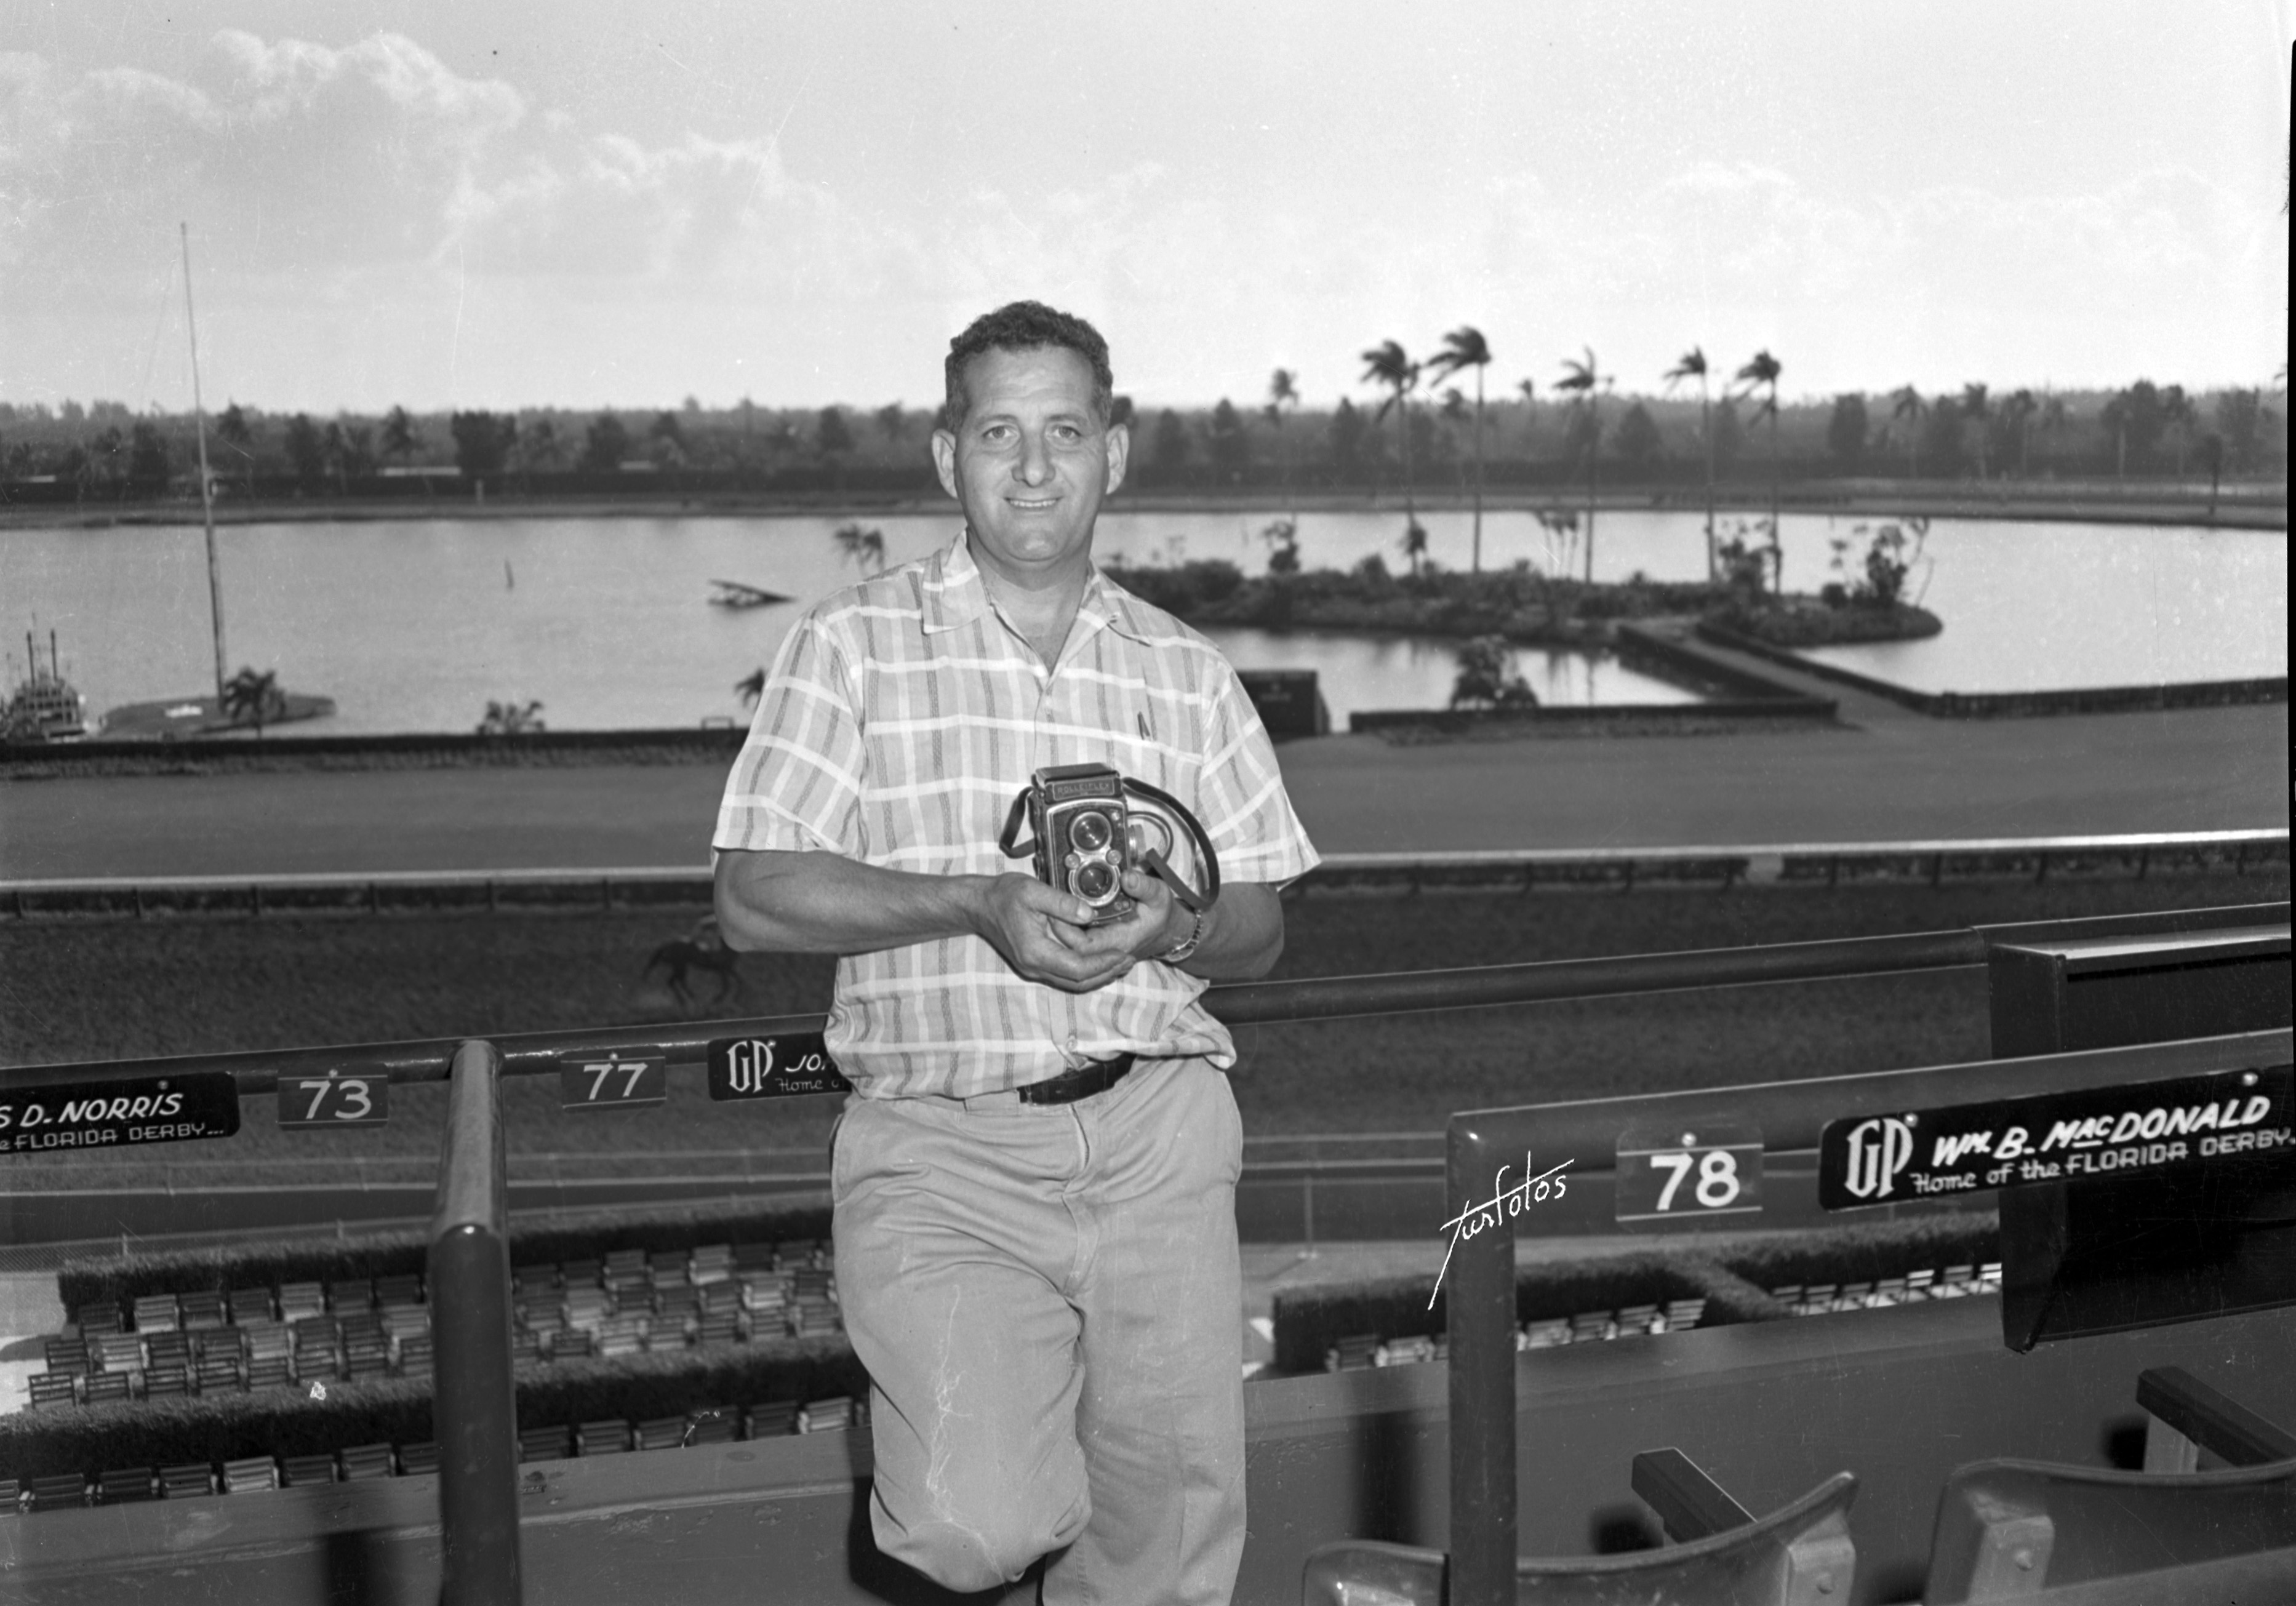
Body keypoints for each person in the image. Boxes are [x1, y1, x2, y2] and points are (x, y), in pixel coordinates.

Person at [711, 300, 1319, 1604]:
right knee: (973, 1525)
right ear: (949, 459)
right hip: (943, 1147)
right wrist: (975, 907)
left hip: (1160, 1131)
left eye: (1064, 431)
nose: (1035, 468)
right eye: (1000, 432)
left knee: (1161, 1558)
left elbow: (1262, 926)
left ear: (1118, 450)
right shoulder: (849, 647)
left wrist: (1185, 923)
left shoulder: (1189, 669)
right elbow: (754, 897)